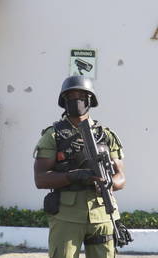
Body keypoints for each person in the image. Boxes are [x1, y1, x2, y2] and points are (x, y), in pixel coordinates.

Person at [34, 75, 126, 258]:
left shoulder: (106, 135)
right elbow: (40, 178)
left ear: (90, 100)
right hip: (67, 215)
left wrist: (110, 183)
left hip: (102, 212)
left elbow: (121, 177)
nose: (76, 100)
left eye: (81, 96)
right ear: (64, 102)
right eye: (70, 96)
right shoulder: (53, 136)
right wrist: (73, 176)